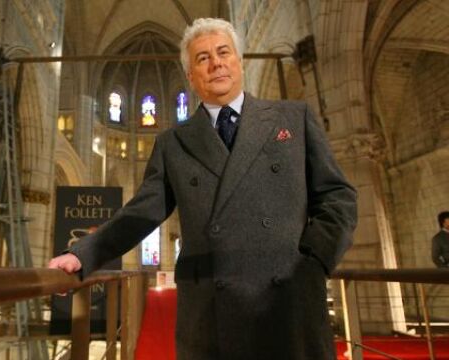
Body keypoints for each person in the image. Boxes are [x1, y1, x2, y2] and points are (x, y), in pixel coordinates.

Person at [49, 17, 357, 359]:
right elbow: (140, 213)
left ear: (239, 61)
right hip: (211, 314)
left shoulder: (293, 118)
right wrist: (82, 254)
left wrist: (314, 262)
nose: (216, 63)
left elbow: (337, 197)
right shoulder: (173, 143)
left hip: (290, 301)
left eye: (223, 52)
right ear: (191, 78)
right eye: (202, 58)